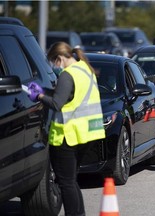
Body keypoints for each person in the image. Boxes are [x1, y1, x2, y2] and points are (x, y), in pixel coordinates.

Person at [27, 42, 105, 216]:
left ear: (59, 58)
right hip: (86, 134)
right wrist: (45, 90)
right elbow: (67, 95)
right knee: (71, 181)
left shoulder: (67, 75)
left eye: (54, 62)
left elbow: (57, 103)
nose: (55, 66)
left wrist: (38, 96)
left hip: (67, 136)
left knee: (66, 182)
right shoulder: (85, 69)